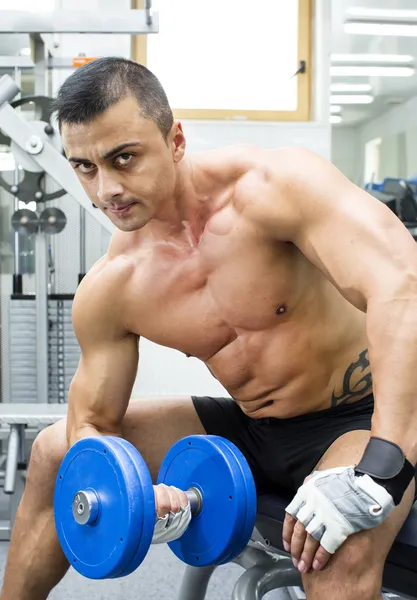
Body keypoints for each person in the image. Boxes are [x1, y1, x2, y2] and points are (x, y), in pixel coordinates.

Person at [1, 57, 417, 600]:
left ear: (175, 140)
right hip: (255, 425)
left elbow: (401, 287)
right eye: (84, 167)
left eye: (123, 158)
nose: (106, 189)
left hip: (357, 414)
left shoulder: (275, 189)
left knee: (334, 545)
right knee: (57, 450)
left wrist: (383, 464)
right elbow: (91, 427)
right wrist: (135, 490)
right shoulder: (115, 283)